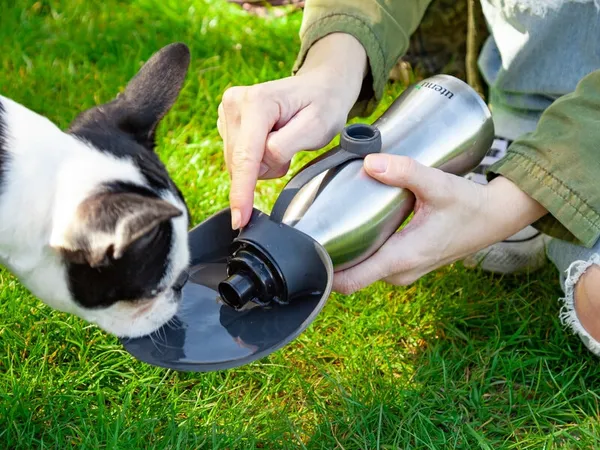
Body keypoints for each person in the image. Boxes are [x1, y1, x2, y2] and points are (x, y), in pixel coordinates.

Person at [216, 1, 600, 354]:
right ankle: (527, 123)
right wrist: (332, 69)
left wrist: (504, 203)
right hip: (529, 82)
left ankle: (542, 177)